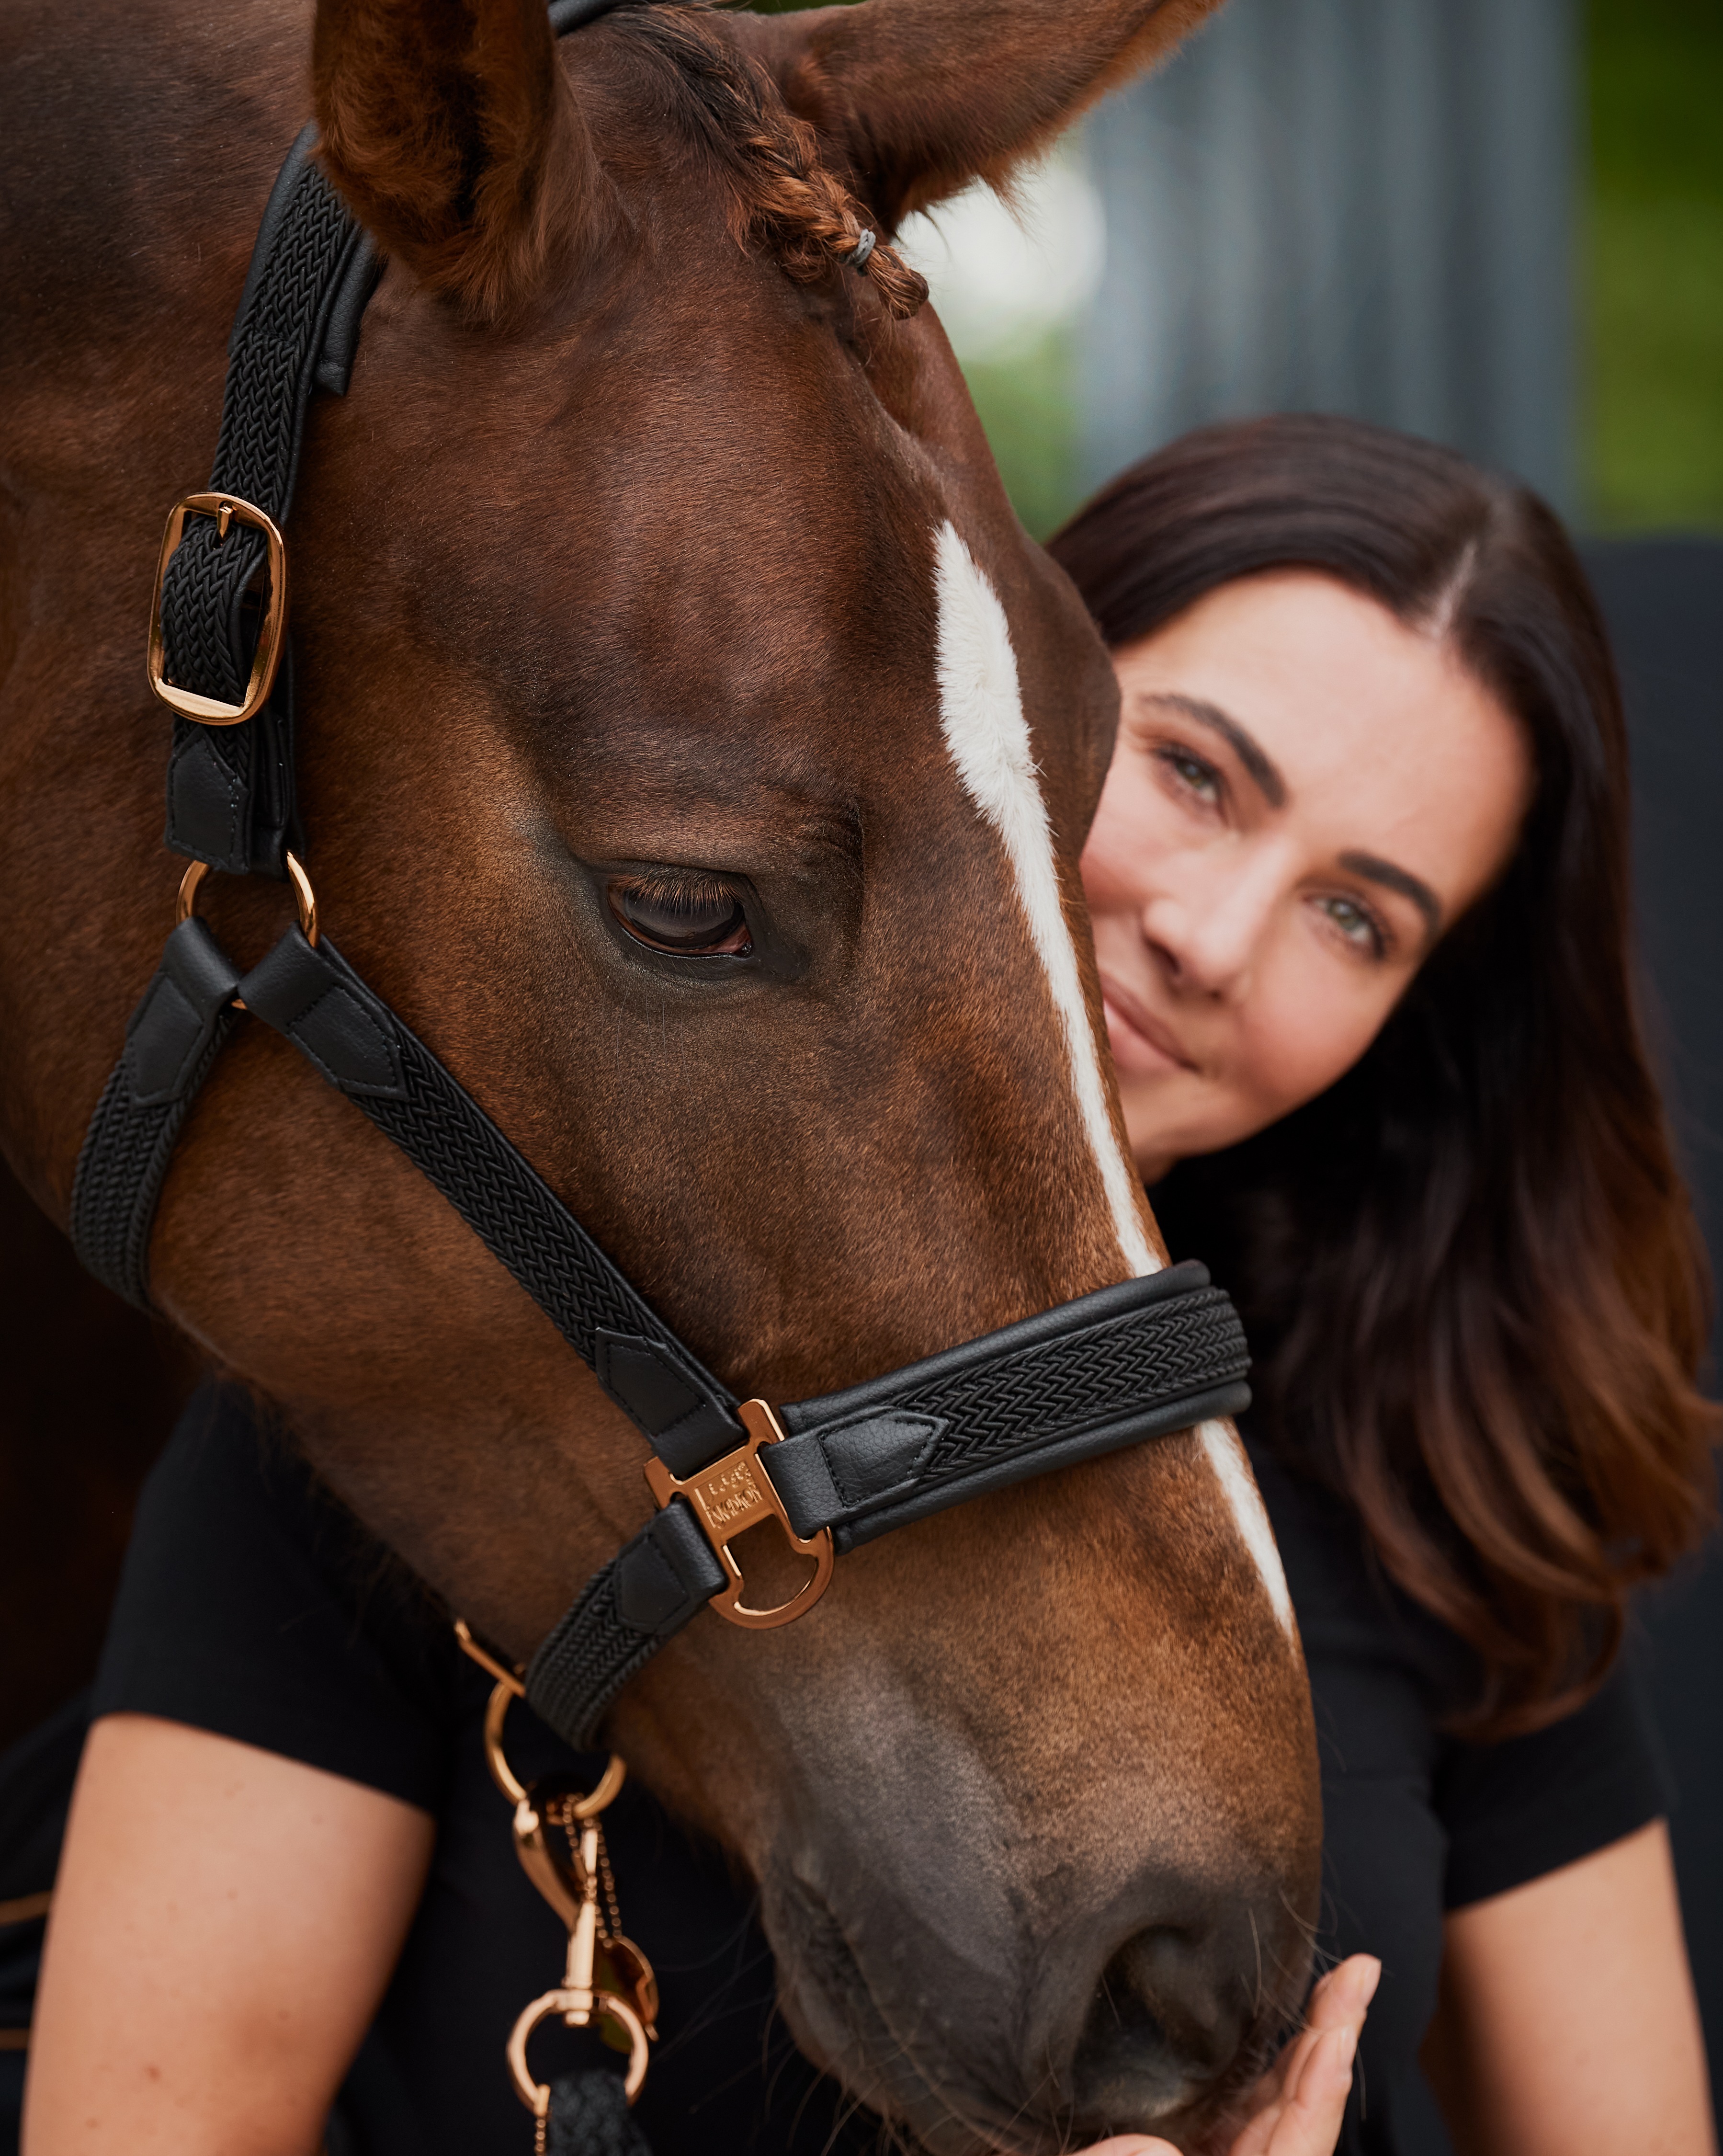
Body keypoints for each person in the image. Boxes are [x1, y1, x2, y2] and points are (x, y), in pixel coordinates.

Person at [22, 415, 1719, 2156]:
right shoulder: (441, 1394)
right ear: (1002, 698)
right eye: (1199, 776)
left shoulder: (1454, 1499)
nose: (1219, 936)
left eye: (1358, 916)